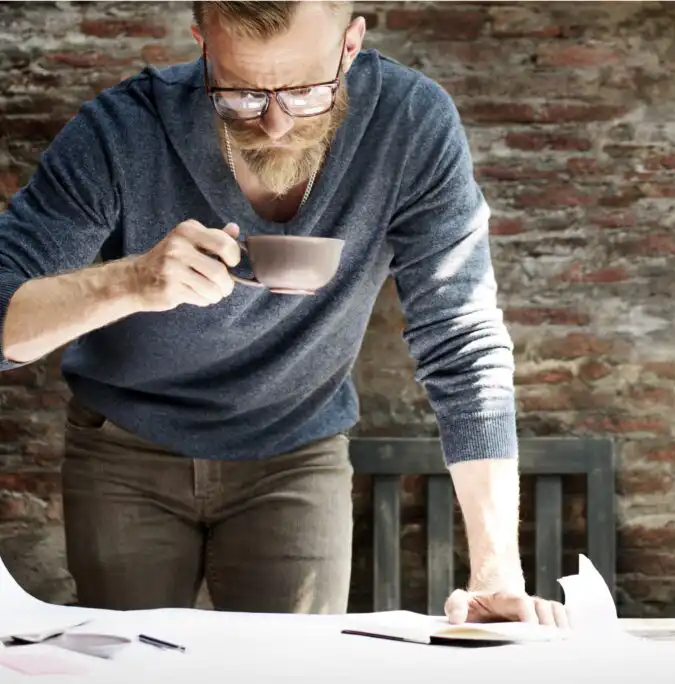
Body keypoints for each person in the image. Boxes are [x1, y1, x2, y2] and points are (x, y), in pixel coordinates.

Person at [0, 0, 567, 627]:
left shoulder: (410, 123)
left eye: (303, 91)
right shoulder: (120, 130)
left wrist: (496, 573)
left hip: (298, 450)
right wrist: (129, 282)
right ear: (203, 45)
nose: (273, 123)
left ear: (350, 46)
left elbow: (460, 338)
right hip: (124, 451)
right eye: (240, 93)